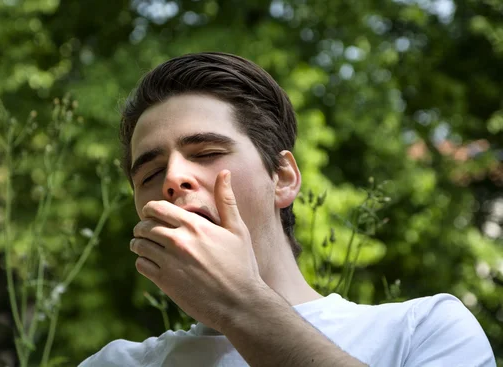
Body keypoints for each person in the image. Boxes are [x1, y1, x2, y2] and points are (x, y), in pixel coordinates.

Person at [79, 52, 495, 367]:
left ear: (282, 178)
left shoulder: (423, 330)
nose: (173, 177)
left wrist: (240, 304)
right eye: (149, 173)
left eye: (205, 152)